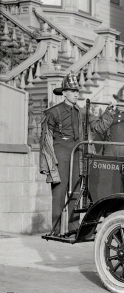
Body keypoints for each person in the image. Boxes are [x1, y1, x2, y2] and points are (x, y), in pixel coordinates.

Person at [39, 73, 85, 230]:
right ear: (64, 93)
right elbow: (46, 139)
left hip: (76, 152)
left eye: (77, 91)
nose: (75, 94)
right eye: (72, 91)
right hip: (60, 153)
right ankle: (56, 229)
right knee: (59, 193)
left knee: (75, 192)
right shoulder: (54, 112)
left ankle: (74, 229)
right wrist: (49, 164)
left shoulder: (80, 112)